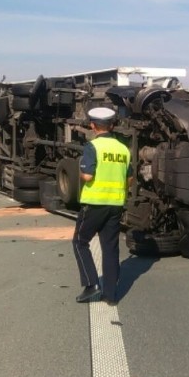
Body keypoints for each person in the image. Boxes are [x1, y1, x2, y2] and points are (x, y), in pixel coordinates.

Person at [73, 107, 133, 305]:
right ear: (112, 125)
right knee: (110, 247)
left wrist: (81, 172)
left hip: (95, 203)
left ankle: (91, 285)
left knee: (80, 241)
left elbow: (88, 176)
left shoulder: (93, 147)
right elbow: (130, 177)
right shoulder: (123, 149)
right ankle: (111, 294)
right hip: (116, 204)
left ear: (92, 125)